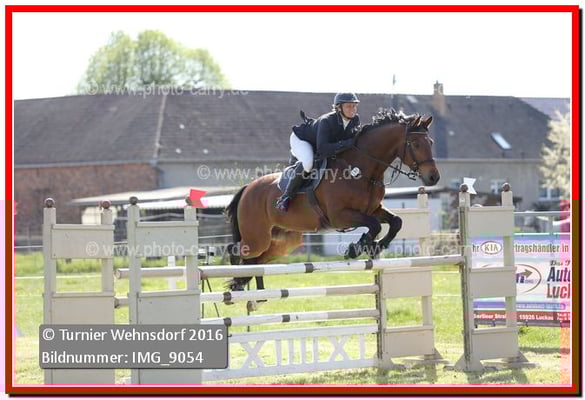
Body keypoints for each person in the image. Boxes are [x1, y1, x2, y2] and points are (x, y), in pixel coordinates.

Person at [275, 92, 361, 212]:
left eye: (354, 106)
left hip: (321, 142)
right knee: (308, 163)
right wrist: (346, 144)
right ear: (339, 108)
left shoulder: (355, 120)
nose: (352, 109)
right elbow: (322, 148)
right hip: (303, 140)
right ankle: (286, 197)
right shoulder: (327, 121)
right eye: (348, 106)